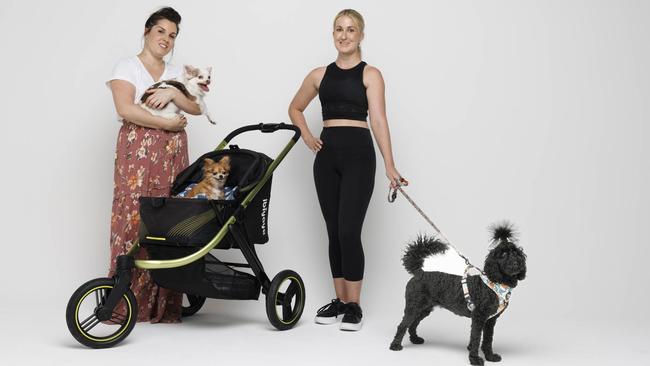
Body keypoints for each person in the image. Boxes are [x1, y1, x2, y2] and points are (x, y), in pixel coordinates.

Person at [288, 9, 405, 331]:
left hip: (359, 156)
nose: (344, 35)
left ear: (361, 35)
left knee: (349, 231)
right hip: (327, 159)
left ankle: (354, 305)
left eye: (351, 30)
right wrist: (309, 138)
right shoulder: (318, 75)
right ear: (333, 34)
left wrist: (390, 165)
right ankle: (339, 300)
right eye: (339, 29)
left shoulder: (371, 74)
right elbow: (295, 108)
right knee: (334, 232)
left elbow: (379, 120)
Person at [106, 6, 202, 323]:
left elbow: (195, 107)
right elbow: (126, 108)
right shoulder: (127, 66)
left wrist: (173, 88)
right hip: (139, 151)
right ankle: (124, 301)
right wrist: (167, 125)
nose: (166, 39)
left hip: (172, 152)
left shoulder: (175, 72)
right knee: (132, 219)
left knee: (166, 220)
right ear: (147, 31)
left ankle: (163, 303)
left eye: (172, 35)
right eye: (161, 31)